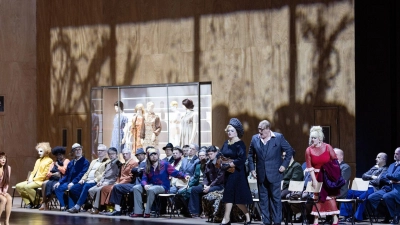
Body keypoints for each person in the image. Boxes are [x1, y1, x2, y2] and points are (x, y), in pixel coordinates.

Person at [248, 119, 294, 225]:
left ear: (268, 129)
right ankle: (266, 222)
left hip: (275, 174)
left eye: (262, 130)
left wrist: (284, 165)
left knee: (275, 199)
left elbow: (289, 151)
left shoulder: (278, 137)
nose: (260, 132)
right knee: (263, 200)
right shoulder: (255, 139)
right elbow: (250, 155)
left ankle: (277, 222)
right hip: (261, 175)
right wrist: (252, 169)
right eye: (259, 129)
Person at [130, 147, 189, 218]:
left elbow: (175, 172)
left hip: (163, 186)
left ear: (158, 155)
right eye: (151, 155)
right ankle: (138, 211)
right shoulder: (147, 166)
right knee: (136, 188)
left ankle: (147, 211)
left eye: (155, 154)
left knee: (151, 189)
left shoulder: (165, 164)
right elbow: (144, 179)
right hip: (151, 185)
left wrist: (184, 176)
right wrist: (145, 185)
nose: (154, 156)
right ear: (148, 157)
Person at [219, 118, 253, 225]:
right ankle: (226, 218)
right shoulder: (226, 143)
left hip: (237, 173)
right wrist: (221, 162)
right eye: (228, 131)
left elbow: (242, 159)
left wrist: (230, 164)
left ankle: (247, 216)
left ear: (236, 131)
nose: (229, 132)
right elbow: (221, 154)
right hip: (228, 173)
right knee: (228, 195)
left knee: (238, 199)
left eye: (232, 130)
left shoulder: (240, 144)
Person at [305, 126, 340, 225]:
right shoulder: (308, 150)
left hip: (327, 176)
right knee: (317, 197)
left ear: (320, 138)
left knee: (329, 197)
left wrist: (332, 174)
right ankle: (316, 219)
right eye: (311, 137)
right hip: (316, 176)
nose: (312, 139)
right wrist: (314, 180)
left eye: (314, 138)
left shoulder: (328, 147)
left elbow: (335, 161)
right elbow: (309, 167)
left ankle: (335, 218)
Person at [339, 152, 388, 222]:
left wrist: (369, 180)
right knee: (348, 192)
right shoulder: (374, 168)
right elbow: (363, 176)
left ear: (384, 159)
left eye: (378, 157)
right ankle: (346, 215)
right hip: (364, 188)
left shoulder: (385, 169)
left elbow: (378, 181)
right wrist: (372, 177)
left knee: (363, 197)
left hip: (373, 189)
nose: (376, 159)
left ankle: (357, 217)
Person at [66, 144, 110, 213]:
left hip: (95, 181)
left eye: (102, 150)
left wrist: (94, 180)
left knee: (86, 186)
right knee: (73, 188)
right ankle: (87, 202)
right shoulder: (94, 161)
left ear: (105, 152)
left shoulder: (108, 162)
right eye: (98, 150)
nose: (99, 152)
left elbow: (104, 174)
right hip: (86, 180)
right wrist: (83, 179)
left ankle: (77, 207)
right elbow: (87, 172)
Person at [188, 145, 224, 218]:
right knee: (194, 189)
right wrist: (205, 185)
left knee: (208, 191)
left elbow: (219, 178)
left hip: (219, 185)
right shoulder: (208, 163)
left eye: (211, 154)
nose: (210, 156)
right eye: (209, 154)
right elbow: (205, 176)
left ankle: (207, 212)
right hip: (209, 185)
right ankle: (195, 212)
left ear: (216, 153)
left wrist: (209, 186)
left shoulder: (220, 162)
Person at [101, 148, 138, 216]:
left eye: (126, 154)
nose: (125, 155)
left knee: (116, 187)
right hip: (121, 183)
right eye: (123, 154)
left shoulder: (133, 163)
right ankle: (112, 208)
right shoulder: (123, 164)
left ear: (130, 154)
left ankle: (116, 209)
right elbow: (119, 176)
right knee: (109, 187)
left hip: (129, 183)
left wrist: (119, 183)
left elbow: (130, 177)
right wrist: (117, 182)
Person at [368, 147, 400, 224]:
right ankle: (387, 213)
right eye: (394, 153)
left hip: (397, 188)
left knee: (387, 197)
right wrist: (390, 181)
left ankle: (395, 215)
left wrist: (389, 176)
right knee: (371, 198)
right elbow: (383, 176)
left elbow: (396, 177)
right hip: (388, 187)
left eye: (397, 154)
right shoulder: (392, 165)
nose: (395, 155)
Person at [16, 142, 53, 208]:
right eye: (38, 151)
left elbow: (44, 174)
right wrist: (30, 178)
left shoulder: (49, 160)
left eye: (41, 151)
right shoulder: (38, 160)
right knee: (18, 186)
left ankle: (38, 202)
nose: (39, 153)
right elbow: (33, 172)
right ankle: (31, 202)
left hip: (41, 181)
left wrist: (33, 179)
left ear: (46, 151)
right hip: (33, 180)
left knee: (27, 187)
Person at [54, 143, 90, 211]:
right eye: (76, 150)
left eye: (79, 149)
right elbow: (66, 175)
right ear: (73, 152)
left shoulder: (85, 162)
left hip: (79, 182)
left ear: (82, 150)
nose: (78, 151)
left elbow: (82, 174)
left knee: (72, 188)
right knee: (57, 187)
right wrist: (59, 182)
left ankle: (81, 203)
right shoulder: (71, 163)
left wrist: (73, 182)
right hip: (69, 182)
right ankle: (64, 205)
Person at [88, 147, 121, 214]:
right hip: (104, 181)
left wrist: (106, 183)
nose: (111, 155)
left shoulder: (118, 164)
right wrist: (101, 181)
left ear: (116, 154)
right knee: (90, 190)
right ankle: (98, 206)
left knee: (98, 190)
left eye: (113, 154)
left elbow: (116, 177)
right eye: (109, 154)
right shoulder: (108, 164)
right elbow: (104, 175)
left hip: (111, 182)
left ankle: (97, 208)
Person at [39, 146, 70, 210]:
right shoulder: (53, 163)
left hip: (61, 179)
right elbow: (48, 174)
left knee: (54, 186)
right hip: (52, 179)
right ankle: (44, 202)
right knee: (44, 183)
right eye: (57, 155)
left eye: (60, 154)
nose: (59, 156)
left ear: (63, 154)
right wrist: (53, 174)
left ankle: (44, 203)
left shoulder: (66, 161)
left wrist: (58, 166)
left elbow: (64, 171)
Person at [0, 152, 12, 225]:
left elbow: (7, 182)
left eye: (4, 158)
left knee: (9, 199)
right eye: (1, 158)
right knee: (3, 200)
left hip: (3, 189)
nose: (3, 160)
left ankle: (6, 221)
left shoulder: (8, 168)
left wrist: (4, 192)